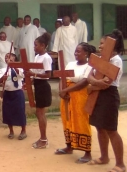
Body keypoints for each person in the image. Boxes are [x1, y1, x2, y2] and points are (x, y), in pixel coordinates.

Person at [87, 29, 125, 172]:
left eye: (102, 43)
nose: (100, 46)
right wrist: (94, 83)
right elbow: (90, 76)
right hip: (98, 95)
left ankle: (120, 164)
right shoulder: (100, 59)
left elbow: (107, 83)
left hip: (109, 96)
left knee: (111, 130)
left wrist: (92, 86)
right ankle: (104, 157)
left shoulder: (116, 61)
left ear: (112, 45)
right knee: (99, 127)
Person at [54, 42, 95, 164]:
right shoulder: (70, 64)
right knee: (67, 120)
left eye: (79, 51)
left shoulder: (89, 66)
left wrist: (66, 90)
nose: (76, 53)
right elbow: (62, 77)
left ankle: (87, 152)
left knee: (81, 121)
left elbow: (84, 82)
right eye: (75, 51)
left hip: (80, 96)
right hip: (67, 97)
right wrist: (62, 91)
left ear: (86, 53)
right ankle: (69, 146)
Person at [25, 33, 52, 149]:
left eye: (36, 45)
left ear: (43, 45)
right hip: (37, 85)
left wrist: (33, 74)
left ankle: (44, 139)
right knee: (39, 113)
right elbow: (34, 72)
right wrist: (29, 82)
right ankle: (42, 137)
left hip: (43, 86)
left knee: (40, 113)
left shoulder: (46, 58)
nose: (34, 47)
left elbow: (48, 75)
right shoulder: (37, 57)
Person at [0, 53, 26, 140]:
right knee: (8, 112)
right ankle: (11, 131)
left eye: (9, 57)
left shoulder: (20, 68)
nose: (7, 58)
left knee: (20, 111)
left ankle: (23, 131)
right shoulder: (3, 70)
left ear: (14, 58)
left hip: (18, 92)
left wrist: (13, 66)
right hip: (8, 93)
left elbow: (22, 75)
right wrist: (4, 77)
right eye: (6, 57)